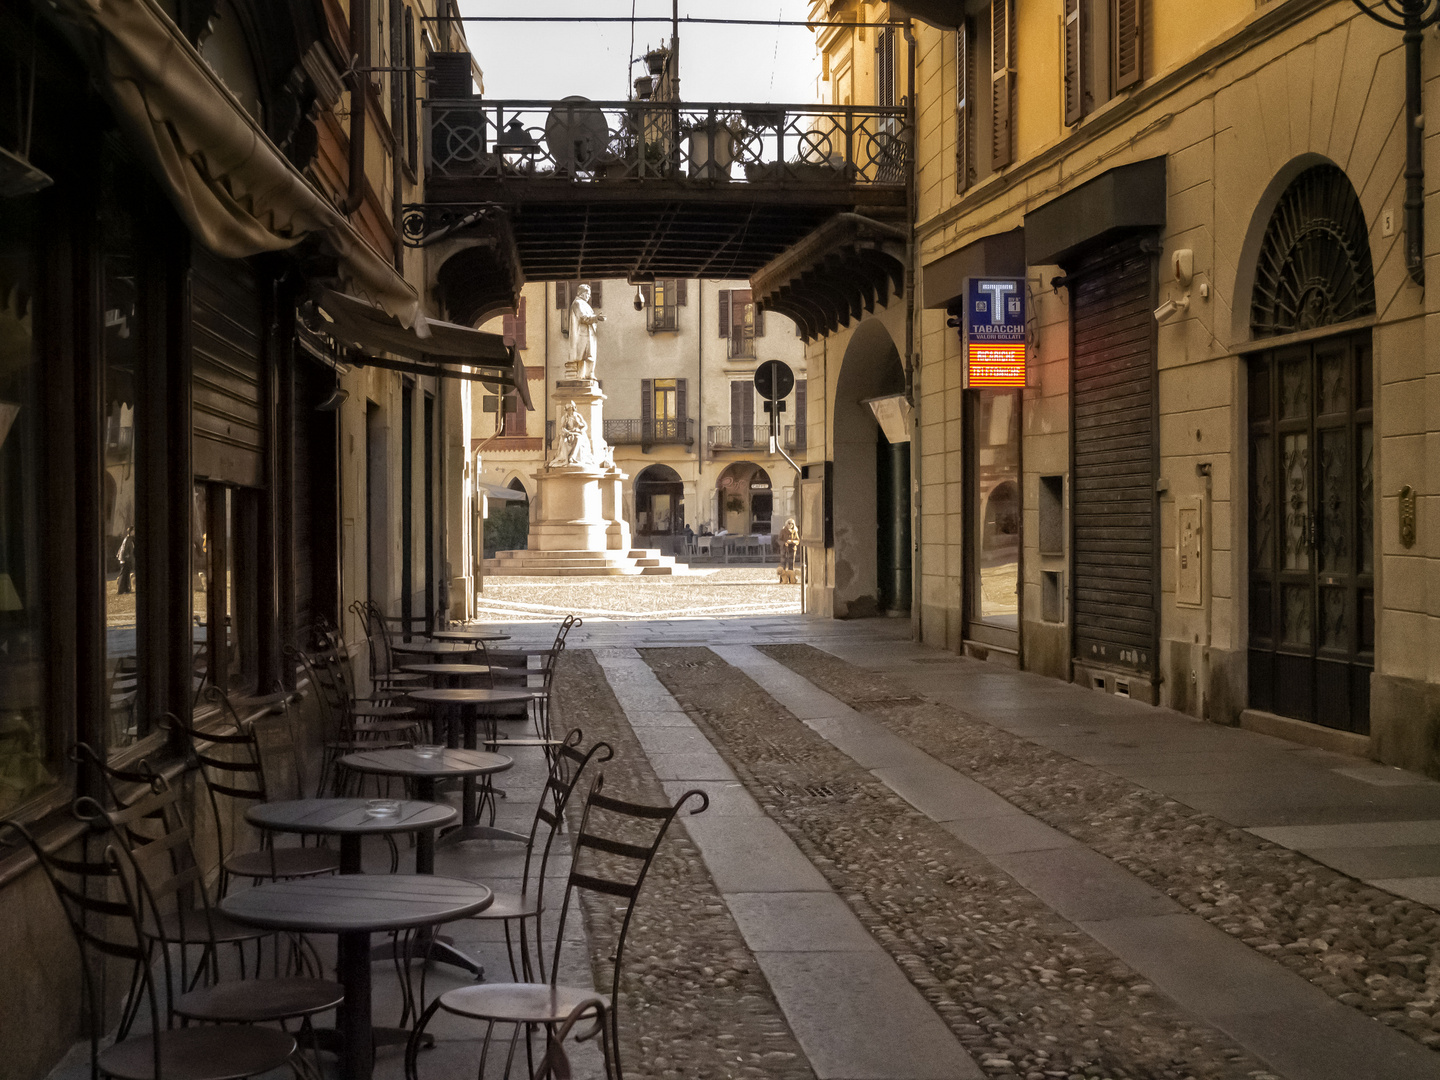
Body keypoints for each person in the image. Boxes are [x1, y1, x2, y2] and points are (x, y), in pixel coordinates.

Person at [565, 284, 606, 381]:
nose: (589, 296)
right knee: (582, 355)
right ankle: (580, 375)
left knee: (590, 355)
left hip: (589, 333)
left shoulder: (585, 304)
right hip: (582, 334)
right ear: (582, 293)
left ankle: (589, 374)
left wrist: (596, 318)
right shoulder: (577, 303)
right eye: (587, 294)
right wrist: (596, 318)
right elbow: (583, 318)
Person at [116, 527, 136, 594]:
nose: (134, 532)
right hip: (125, 559)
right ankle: (120, 590)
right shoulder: (127, 539)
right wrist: (125, 557)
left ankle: (126, 589)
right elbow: (123, 549)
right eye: (133, 531)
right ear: (130, 531)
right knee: (123, 574)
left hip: (127, 559)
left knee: (127, 573)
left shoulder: (131, 538)